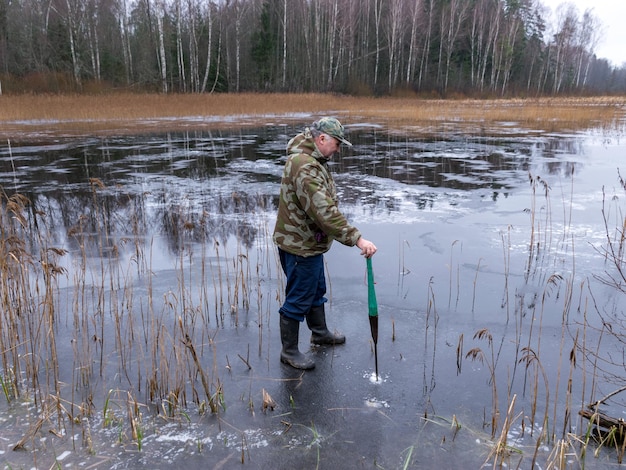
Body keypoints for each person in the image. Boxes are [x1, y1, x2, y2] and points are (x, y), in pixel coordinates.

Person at [273, 117, 377, 370]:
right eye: (337, 144)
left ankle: (319, 333)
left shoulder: (314, 159)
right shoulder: (304, 166)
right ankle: (289, 352)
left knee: (315, 288)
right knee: (299, 297)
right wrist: (357, 239)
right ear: (321, 139)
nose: (338, 149)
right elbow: (324, 211)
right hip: (299, 245)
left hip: (308, 243)